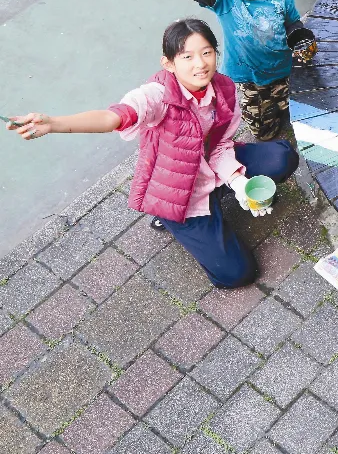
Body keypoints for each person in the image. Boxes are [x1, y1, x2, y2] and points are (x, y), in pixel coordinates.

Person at [6, 19, 299, 288]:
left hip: (210, 169)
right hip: (179, 193)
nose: (200, 64)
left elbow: (221, 145)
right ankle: (170, 218)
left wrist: (238, 182)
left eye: (206, 53)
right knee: (238, 274)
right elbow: (112, 117)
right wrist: (55, 124)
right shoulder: (157, 96)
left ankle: (220, 196)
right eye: (187, 57)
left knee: (283, 157)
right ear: (168, 63)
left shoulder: (224, 88)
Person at [148, 0, 310, 141]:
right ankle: (268, 118)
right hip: (248, 79)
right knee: (263, 133)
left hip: (283, 70)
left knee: (289, 104)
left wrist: (301, 39)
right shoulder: (225, 0)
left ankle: (282, 105)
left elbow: (292, 24)